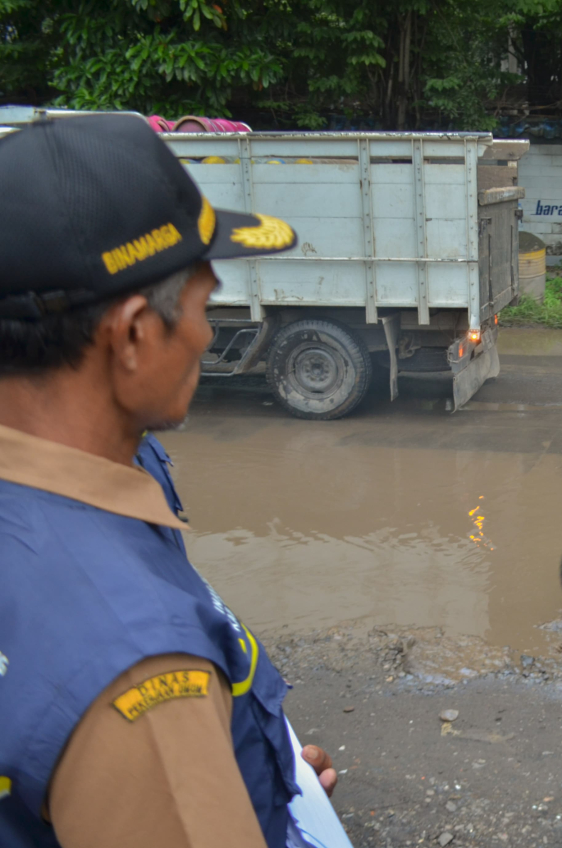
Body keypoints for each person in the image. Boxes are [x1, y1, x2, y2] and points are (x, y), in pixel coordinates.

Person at [0, 114, 334, 848]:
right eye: (203, 305)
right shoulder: (143, 672)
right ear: (131, 335)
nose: (209, 334)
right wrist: (179, 757)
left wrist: (243, 766)